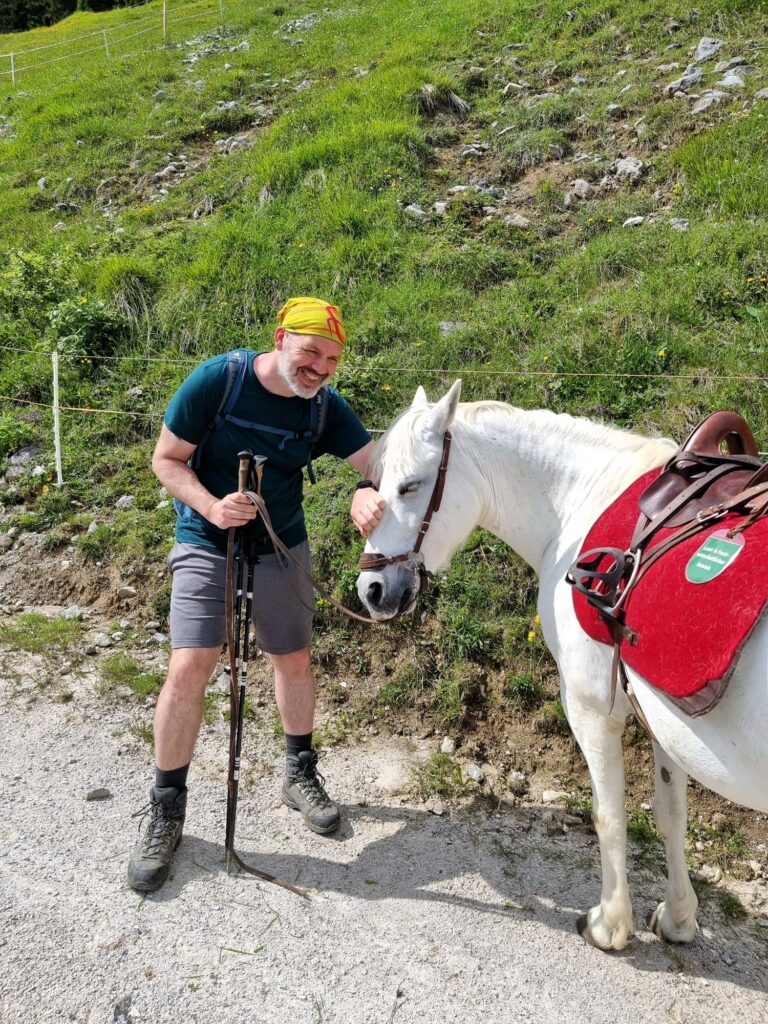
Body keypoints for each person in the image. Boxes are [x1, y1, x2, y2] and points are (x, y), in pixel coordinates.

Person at [127, 296, 384, 892]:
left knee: (292, 660)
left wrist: (363, 491)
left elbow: (377, 465)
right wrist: (211, 507)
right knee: (190, 665)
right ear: (280, 338)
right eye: (311, 352)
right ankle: (166, 807)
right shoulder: (221, 380)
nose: (319, 368)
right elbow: (167, 460)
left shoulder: (324, 408)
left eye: (332, 359)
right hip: (204, 539)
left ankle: (299, 771)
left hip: (281, 544)